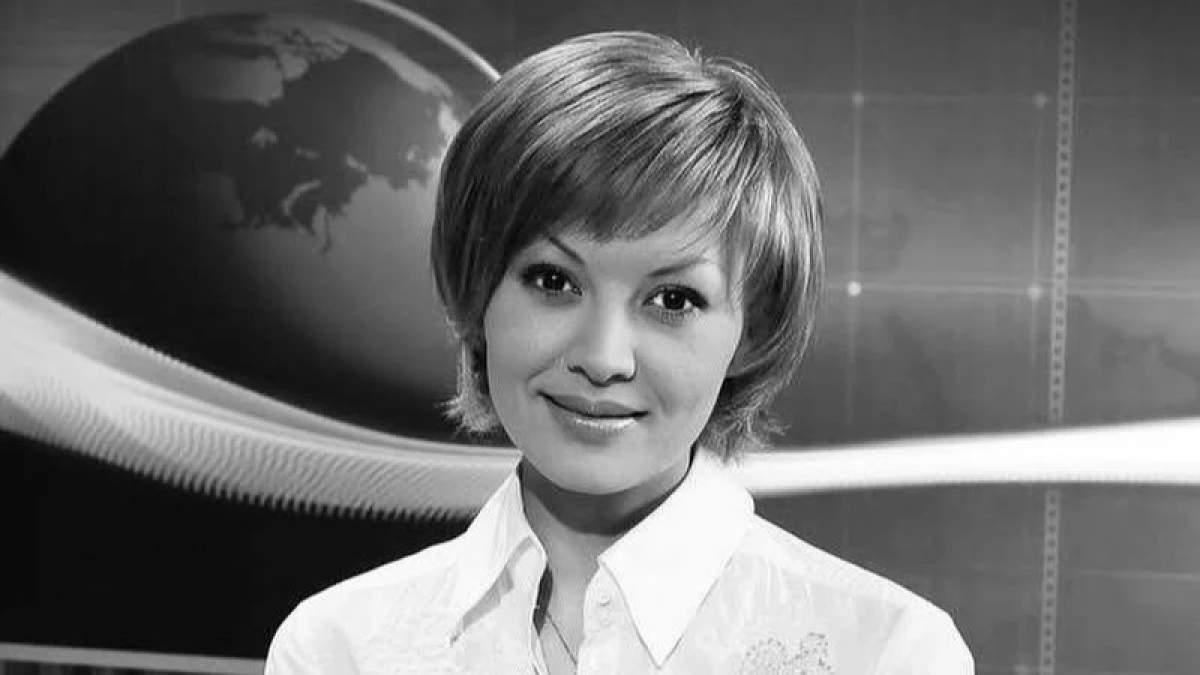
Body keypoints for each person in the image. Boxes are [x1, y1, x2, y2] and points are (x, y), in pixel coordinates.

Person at [265, 31, 973, 674]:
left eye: (673, 300)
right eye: (553, 281)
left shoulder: (889, 652)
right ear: (476, 295)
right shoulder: (338, 647)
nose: (604, 358)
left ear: (751, 330)